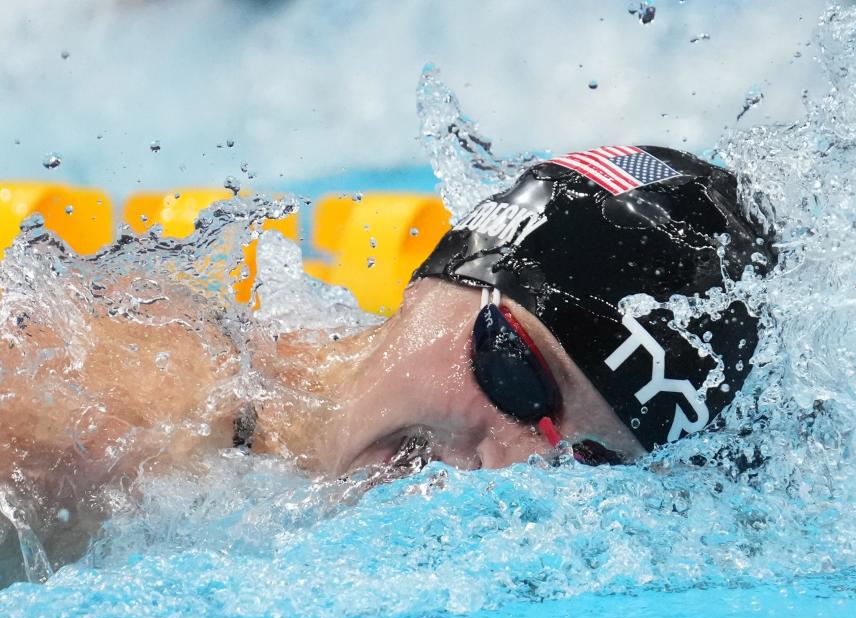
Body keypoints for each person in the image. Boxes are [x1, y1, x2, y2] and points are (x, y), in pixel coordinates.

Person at [0, 144, 774, 582]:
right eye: (515, 372)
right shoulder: (89, 415)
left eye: (584, 465)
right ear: (442, 274)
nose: (501, 470)